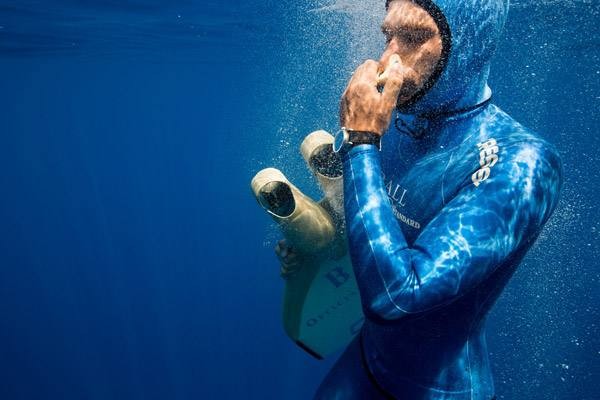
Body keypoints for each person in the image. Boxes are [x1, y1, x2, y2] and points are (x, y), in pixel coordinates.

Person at [277, 0, 563, 398]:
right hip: (363, 363)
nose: (388, 58)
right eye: (388, 36)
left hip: (436, 389)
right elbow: (365, 220)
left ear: (467, 43)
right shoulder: (393, 120)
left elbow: (397, 297)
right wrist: (315, 248)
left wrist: (362, 139)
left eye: (412, 38)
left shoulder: (523, 161)